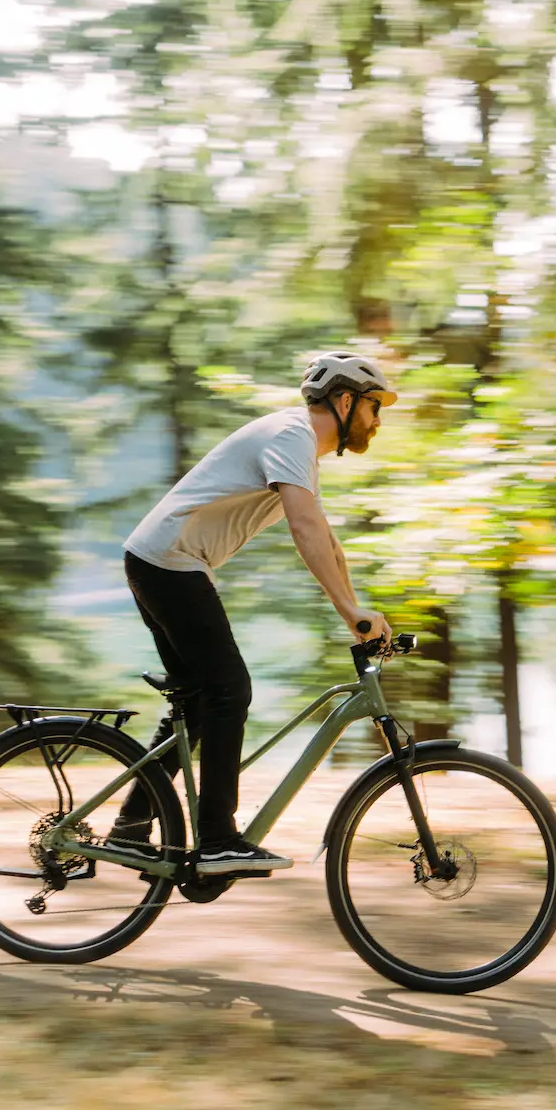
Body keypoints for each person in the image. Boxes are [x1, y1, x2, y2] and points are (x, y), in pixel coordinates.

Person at [114, 352, 397, 876]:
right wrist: (348, 609)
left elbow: (327, 540)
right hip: (170, 564)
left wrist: (357, 611)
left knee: (200, 702)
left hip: (161, 562)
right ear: (344, 400)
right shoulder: (291, 436)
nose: (378, 422)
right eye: (375, 408)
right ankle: (218, 837)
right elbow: (304, 530)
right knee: (230, 691)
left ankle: (131, 826)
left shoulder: (298, 446)